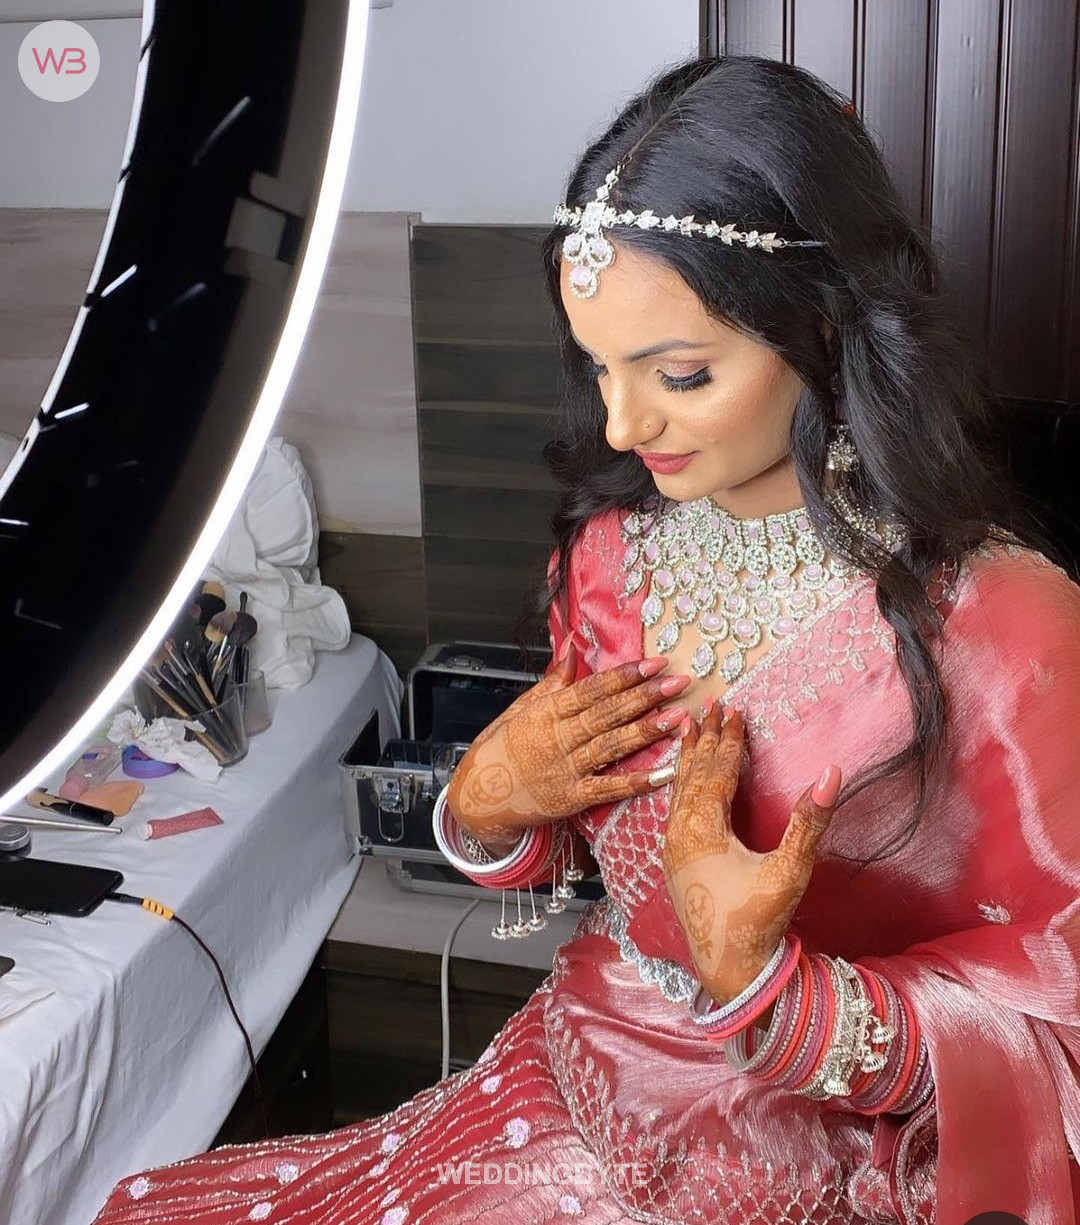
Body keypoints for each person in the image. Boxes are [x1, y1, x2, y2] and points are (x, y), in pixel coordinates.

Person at [91, 53, 1080, 1225]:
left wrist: (781, 995)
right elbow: (586, 853)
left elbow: (1056, 1022)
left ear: (822, 328)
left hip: (808, 1160)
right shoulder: (610, 554)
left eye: (680, 374)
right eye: (598, 367)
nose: (621, 424)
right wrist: (486, 810)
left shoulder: (1004, 625)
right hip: (576, 1070)